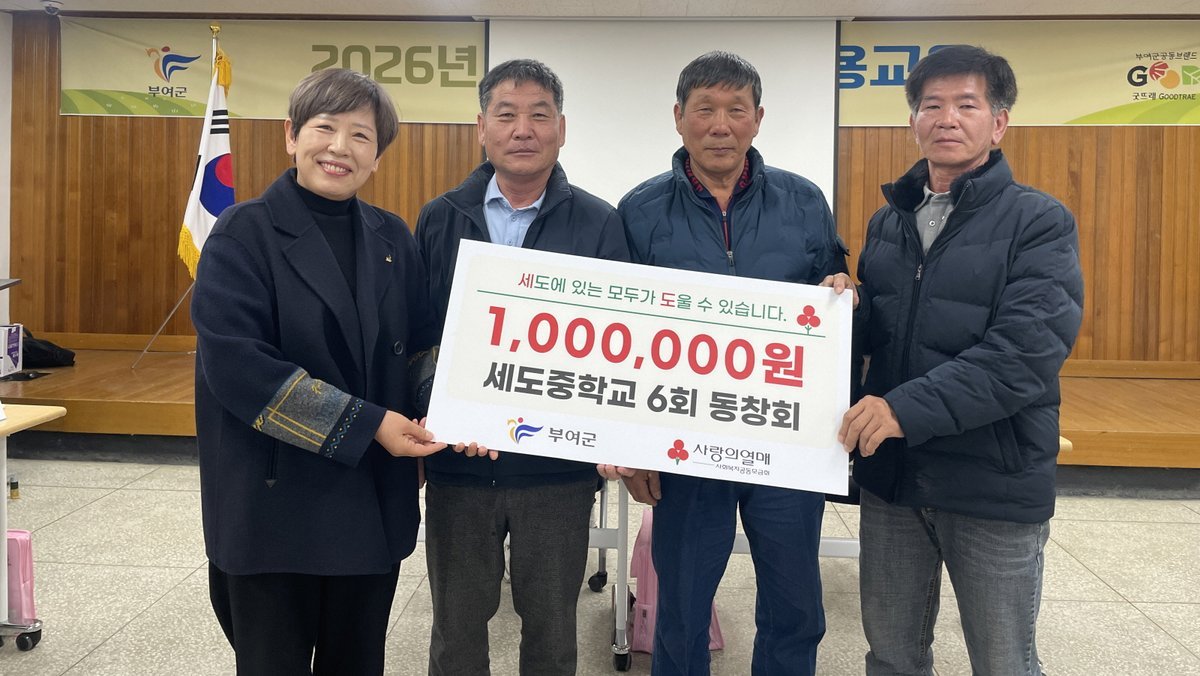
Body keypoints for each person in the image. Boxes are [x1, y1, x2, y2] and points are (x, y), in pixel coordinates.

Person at [192, 68, 446, 676]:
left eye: (361, 135)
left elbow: (421, 347)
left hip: (371, 506)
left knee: (357, 663)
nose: (339, 147)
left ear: (377, 156)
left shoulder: (392, 236)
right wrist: (370, 424)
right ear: (291, 135)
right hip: (274, 508)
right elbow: (239, 369)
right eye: (325, 128)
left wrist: (451, 405)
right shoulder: (241, 233)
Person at [840, 44, 1084, 676]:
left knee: (1003, 661)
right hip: (893, 480)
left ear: (998, 123)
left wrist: (901, 409)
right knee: (891, 656)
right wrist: (837, 308)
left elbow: (1024, 354)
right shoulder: (888, 223)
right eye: (932, 105)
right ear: (913, 121)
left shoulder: (1038, 221)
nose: (946, 118)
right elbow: (883, 335)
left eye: (966, 105)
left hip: (992, 480)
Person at [616, 50, 853, 676]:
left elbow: (832, 290)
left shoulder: (804, 202)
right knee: (681, 608)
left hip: (786, 441)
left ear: (758, 119)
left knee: (795, 605)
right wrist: (632, 445)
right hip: (684, 441)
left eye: (736, 110)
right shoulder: (639, 210)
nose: (720, 126)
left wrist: (840, 288)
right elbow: (624, 332)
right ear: (678, 117)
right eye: (705, 109)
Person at [414, 58, 630, 676]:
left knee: (553, 630)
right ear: (481, 127)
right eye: (506, 115)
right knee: (456, 629)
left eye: (539, 115)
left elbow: (617, 342)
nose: (523, 129)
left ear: (561, 128)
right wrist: (439, 410)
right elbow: (418, 334)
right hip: (460, 464)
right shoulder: (440, 216)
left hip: (555, 471)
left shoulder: (599, 222)